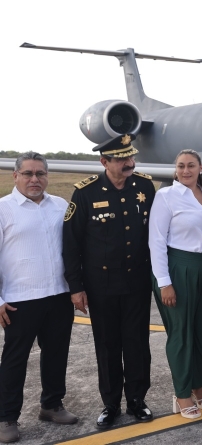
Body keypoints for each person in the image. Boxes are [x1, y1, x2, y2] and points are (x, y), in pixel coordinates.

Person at [62, 133, 156, 428]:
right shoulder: (85, 192)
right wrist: (75, 287)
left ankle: (138, 401)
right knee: (107, 345)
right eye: (121, 159)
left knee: (138, 343)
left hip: (137, 284)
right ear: (104, 162)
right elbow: (71, 243)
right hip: (101, 286)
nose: (129, 163)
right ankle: (111, 403)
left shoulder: (144, 185)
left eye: (131, 157)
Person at [0, 152, 78, 443]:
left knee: (56, 354)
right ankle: (6, 417)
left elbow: (73, 248)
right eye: (29, 173)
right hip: (20, 298)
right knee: (14, 360)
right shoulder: (4, 209)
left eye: (41, 174)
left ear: (47, 176)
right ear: (15, 175)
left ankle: (51, 405)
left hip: (58, 294)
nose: (35, 179)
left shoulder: (59, 206)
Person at [149, 150, 202, 419]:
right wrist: (164, 282)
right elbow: (155, 241)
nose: (185, 170)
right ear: (175, 169)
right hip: (178, 269)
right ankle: (181, 394)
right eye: (180, 166)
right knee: (181, 335)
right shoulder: (166, 196)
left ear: (200, 168)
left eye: (191, 166)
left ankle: (198, 387)